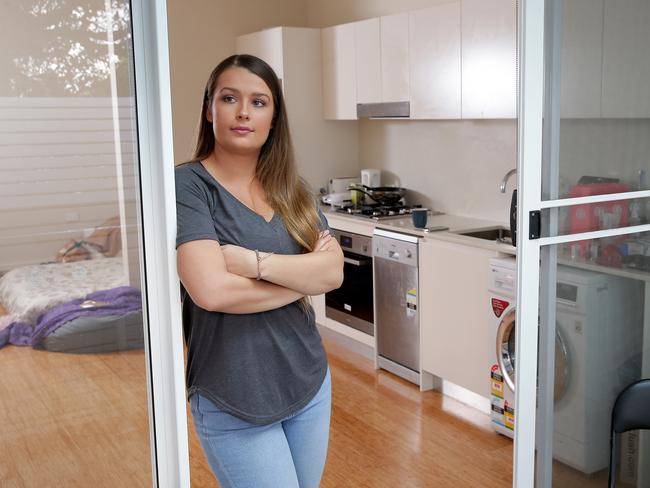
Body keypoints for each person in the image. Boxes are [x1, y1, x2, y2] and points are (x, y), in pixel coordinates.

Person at [174, 54, 344, 488]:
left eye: (259, 102)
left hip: (307, 382)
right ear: (209, 109)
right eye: (229, 98)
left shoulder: (293, 190)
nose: (244, 112)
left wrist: (254, 264)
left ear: (274, 118)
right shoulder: (188, 186)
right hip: (234, 395)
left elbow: (332, 274)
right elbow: (212, 292)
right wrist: (298, 279)